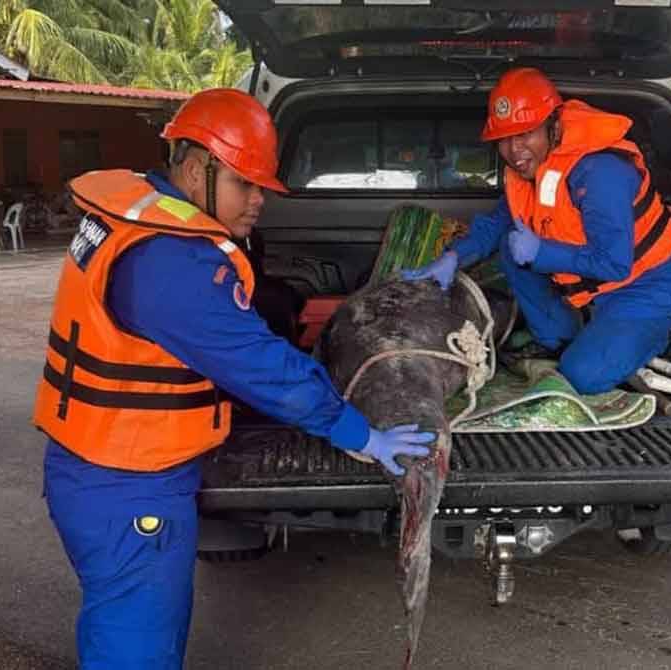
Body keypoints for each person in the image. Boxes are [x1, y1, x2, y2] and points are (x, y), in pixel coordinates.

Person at [32, 89, 434, 669]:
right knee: (135, 644)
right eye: (245, 185)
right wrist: (359, 433)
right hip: (126, 485)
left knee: (133, 626)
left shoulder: (138, 214)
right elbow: (266, 370)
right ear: (197, 169)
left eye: (262, 189)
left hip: (103, 463)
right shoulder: (170, 261)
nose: (257, 203)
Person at [403, 67, 671, 394]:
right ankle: (558, 341)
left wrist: (542, 252)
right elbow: (498, 222)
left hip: (650, 285)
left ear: (553, 126)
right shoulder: (533, 172)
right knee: (509, 246)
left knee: (581, 377)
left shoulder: (600, 173)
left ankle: (659, 335)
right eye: (505, 139)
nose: (515, 150)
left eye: (526, 133)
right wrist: (453, 258)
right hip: (598, 288)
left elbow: (615, 263)